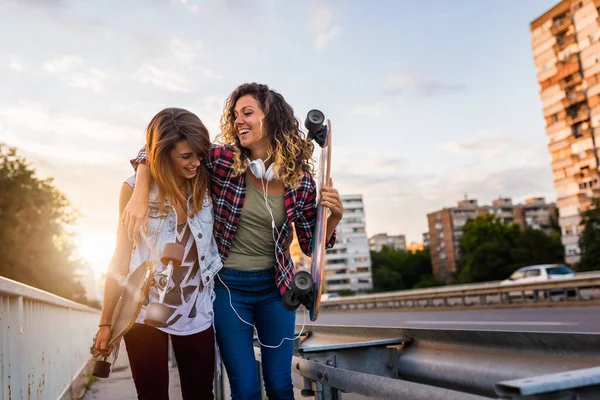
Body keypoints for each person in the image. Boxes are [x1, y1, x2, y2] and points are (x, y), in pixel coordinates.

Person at [124, 83, 344, 400]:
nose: (239, 120)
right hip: (229, 290)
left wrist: (333, 217)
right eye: (235, 114)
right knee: (245, 388)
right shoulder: (223, 160)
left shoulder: (301, 180)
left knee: (281, 385)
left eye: (248, 112)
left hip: (275, 290)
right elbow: (159, 147)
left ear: (271, 117)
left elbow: (311, 246)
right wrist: (141, 188)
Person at [95, 108, 222, 400]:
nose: (196, 162)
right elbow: (120, 257)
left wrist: (144, 167)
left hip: (195, 312)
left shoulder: (206, 179)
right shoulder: (132, 189)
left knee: (201, 395)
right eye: (186, 156)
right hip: (142, 311)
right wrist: (105, 322)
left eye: (199, 154)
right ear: (163, 155)